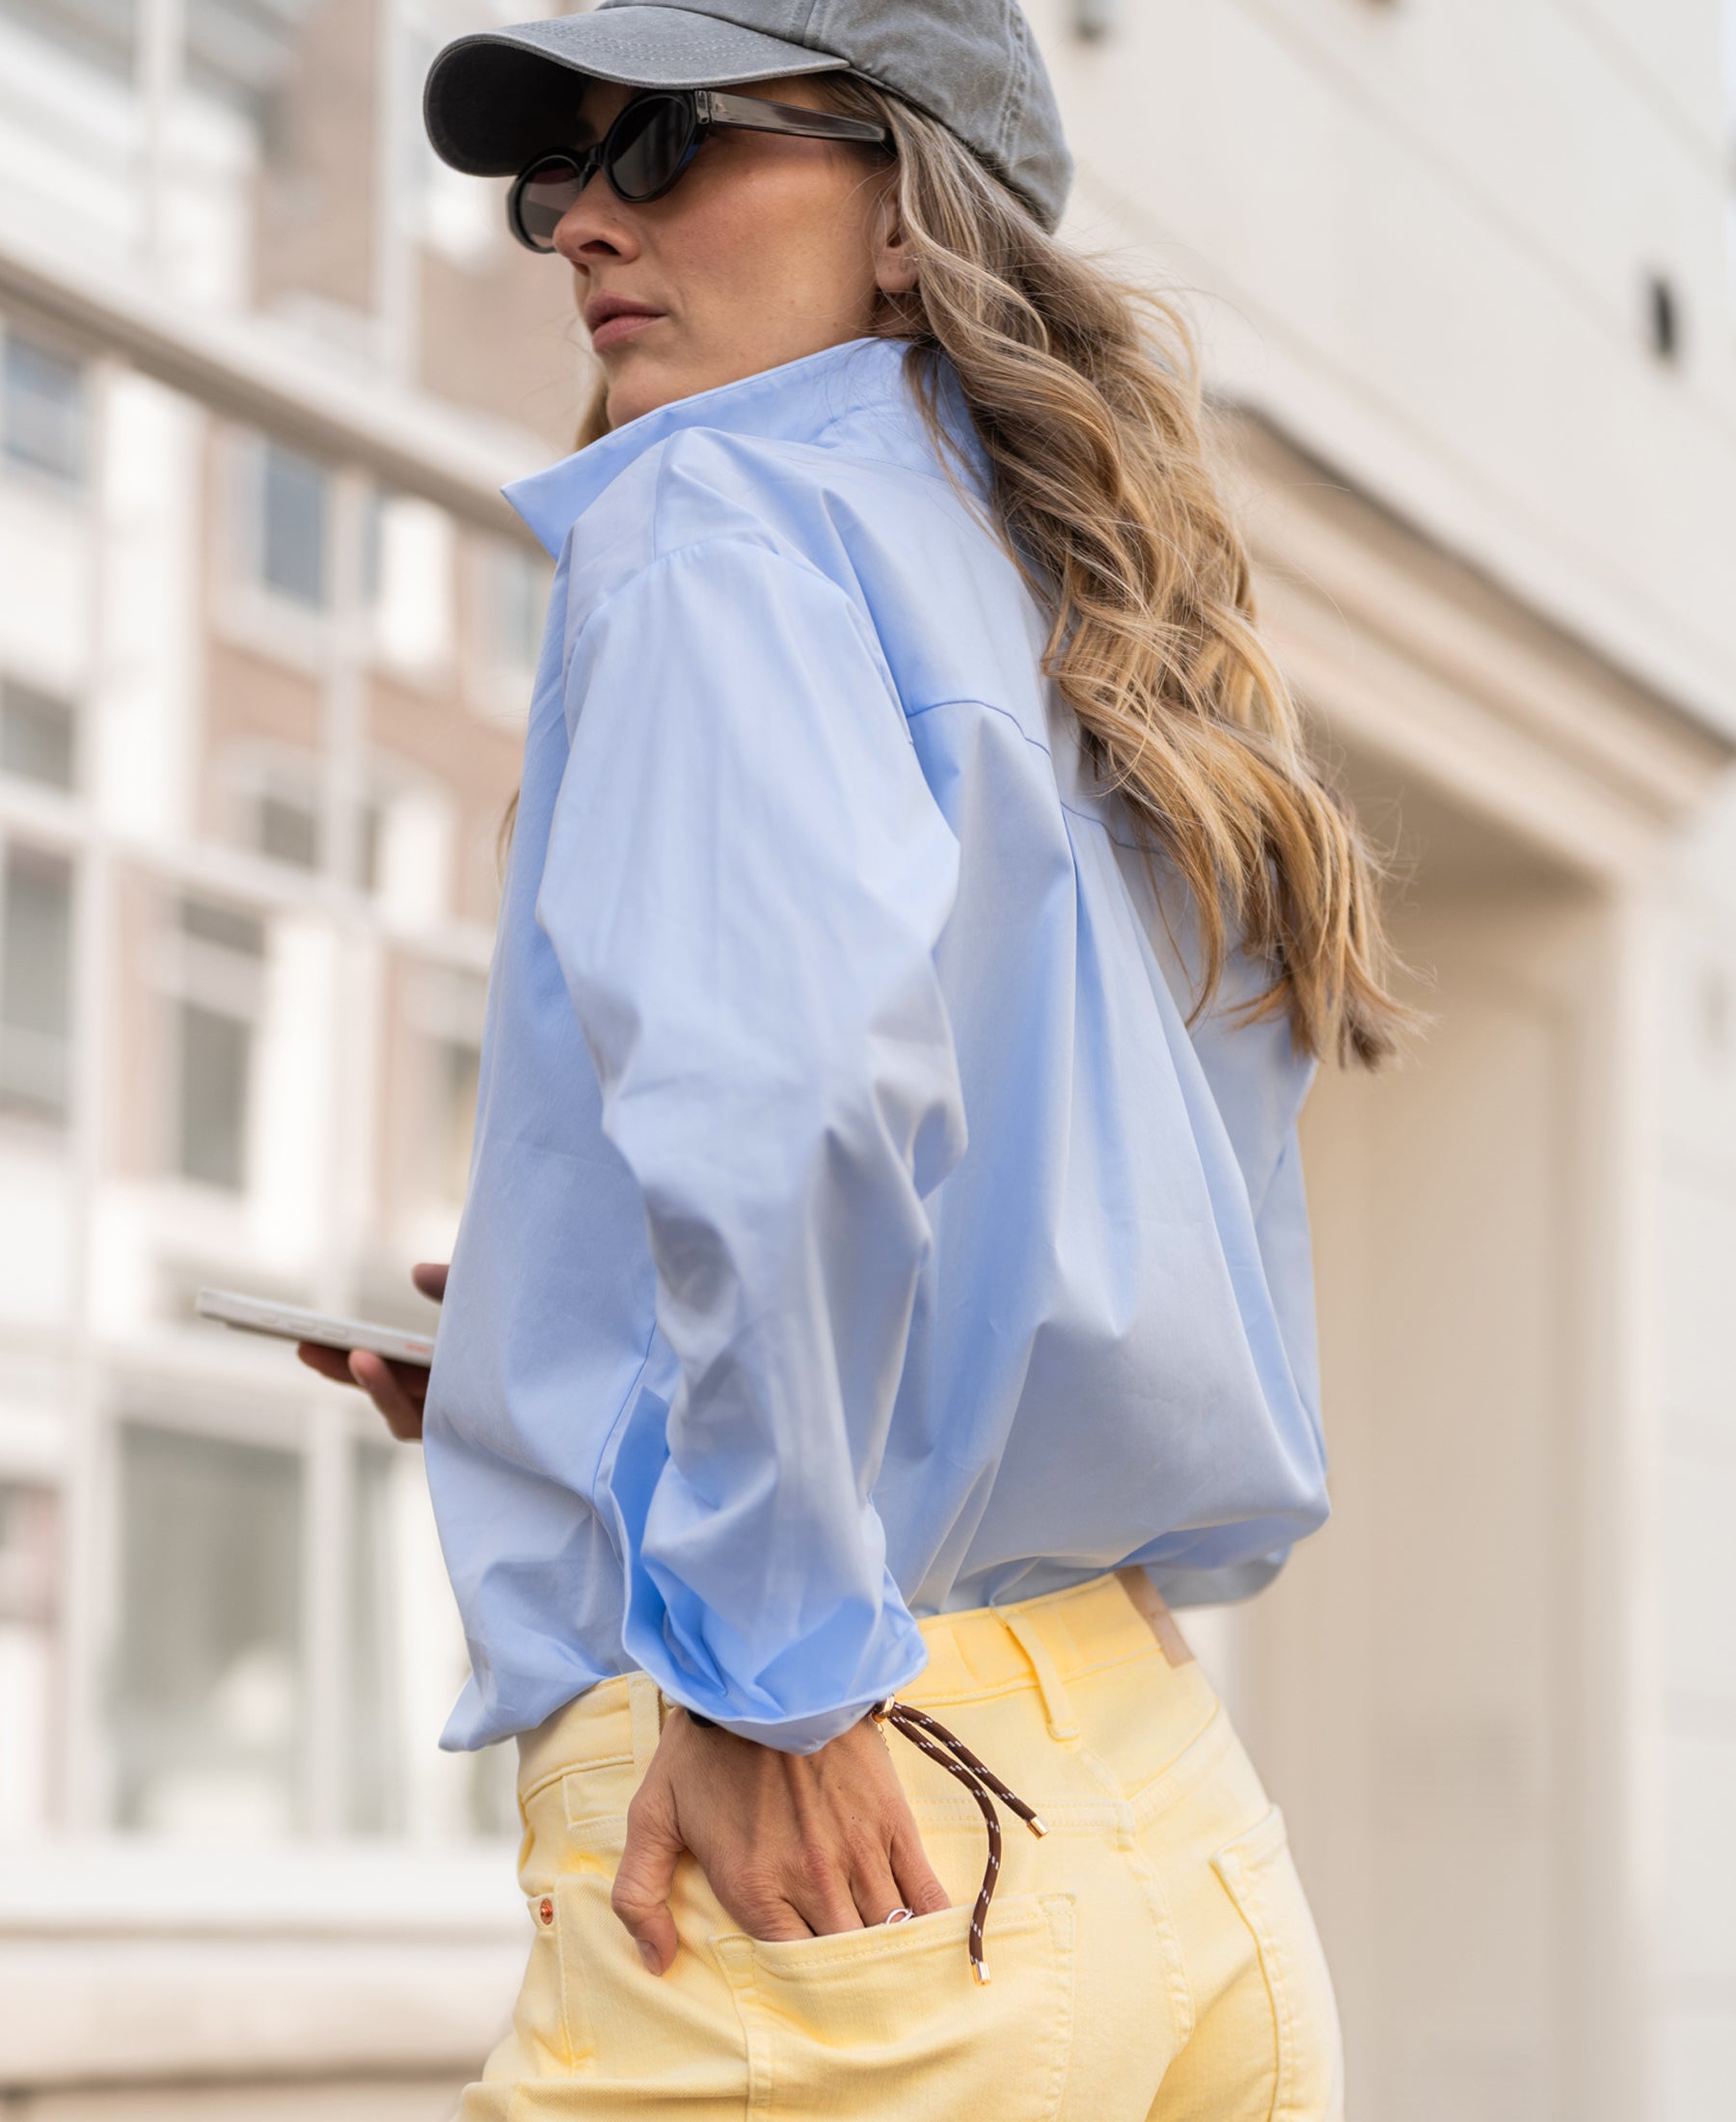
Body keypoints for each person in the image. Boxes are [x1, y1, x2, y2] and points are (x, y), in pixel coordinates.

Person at [301, 2, 1403, 2113]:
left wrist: (767, 1661)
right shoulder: (1113, 644)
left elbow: (798, 1101)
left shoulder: (717, 521)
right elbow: (1064, 1245)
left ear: (908, 211)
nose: (583, 229)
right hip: (1178, 1831)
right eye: (564, 176)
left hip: (851, 1843)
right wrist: (570, 1360)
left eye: (672, 148)